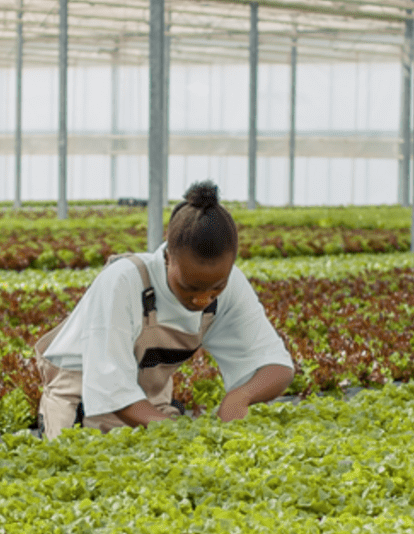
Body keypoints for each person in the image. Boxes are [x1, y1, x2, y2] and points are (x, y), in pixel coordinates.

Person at [34, 180, 294, 441]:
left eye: (216, 288)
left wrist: (240, 397)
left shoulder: (231, 285)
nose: (203, 298)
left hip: (149, 407)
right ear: (168, 257)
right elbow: (111, 390)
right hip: (81, 406)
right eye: (189, 287)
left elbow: (277, 365)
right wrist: (178, 432)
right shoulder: (124, 281)